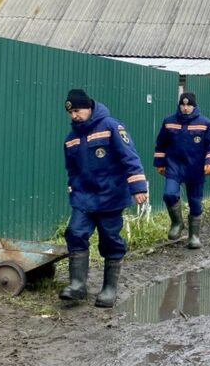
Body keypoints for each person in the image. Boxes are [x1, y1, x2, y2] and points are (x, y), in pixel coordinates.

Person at [59, 89, 148, 308]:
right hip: (83, 198)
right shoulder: (71, 139)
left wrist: (138, 187)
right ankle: (77, 286)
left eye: (77, 111)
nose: (74, 116)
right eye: (70, 113)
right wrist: (73, 190)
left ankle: (109, 289)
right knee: (75, 233)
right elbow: (72, 170)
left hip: (110, 197)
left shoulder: (111, 127)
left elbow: (129, 157)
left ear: (88, 107)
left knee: (110, 240)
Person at [153, 91, 210, 249]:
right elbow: (161, 144)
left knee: (195, 203)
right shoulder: (169, 121)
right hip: (174, 166)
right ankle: (177, 222)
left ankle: (194, 236)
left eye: (189, 105)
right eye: (183, 105)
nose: (185, 108)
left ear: (194, 106)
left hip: (196, 167)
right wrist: (160, 163)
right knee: (169, 194)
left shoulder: (205, 123)